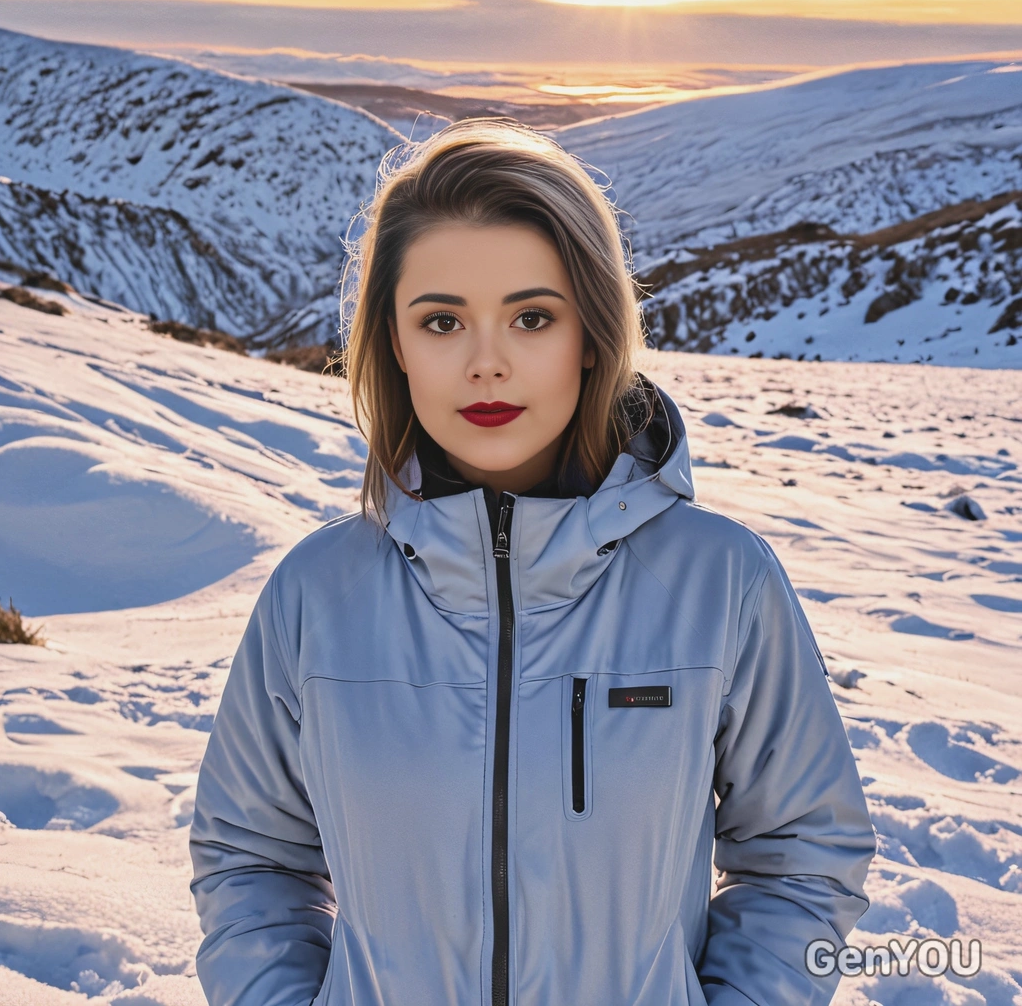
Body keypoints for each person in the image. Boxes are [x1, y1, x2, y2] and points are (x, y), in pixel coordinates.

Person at [189, 117, 876, 1006]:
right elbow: (250, 856)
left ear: (590, 334)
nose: (487, 364)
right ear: (394, 344)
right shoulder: (316, 597)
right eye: (441, 321)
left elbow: (805, 853)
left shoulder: (722, 583)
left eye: (531, 317)